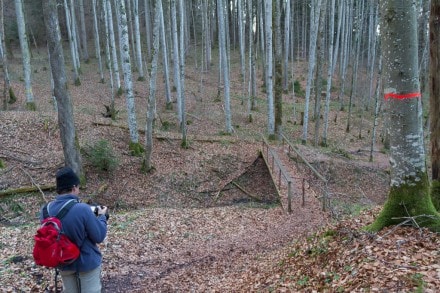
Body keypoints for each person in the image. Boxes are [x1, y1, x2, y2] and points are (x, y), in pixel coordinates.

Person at [40, 166, 108, 293]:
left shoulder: (45, 210)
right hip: (86, 262)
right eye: (78, 188)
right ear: (74, 187)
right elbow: (99, 236)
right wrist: (102, 217)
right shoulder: (82, 208)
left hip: (63, 262)